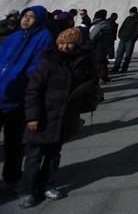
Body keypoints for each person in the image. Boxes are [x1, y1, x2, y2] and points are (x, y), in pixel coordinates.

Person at [18, 27, 98, 207]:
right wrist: (32, 117)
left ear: (77, 44)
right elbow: (33, 91)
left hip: (64, 115)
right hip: (43, 115)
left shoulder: (82, 61)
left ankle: (48, 185)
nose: (65, 47)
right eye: (62, 43)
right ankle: (27, 190)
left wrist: (83, 89)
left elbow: (93, 79)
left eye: (70, 43)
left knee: (54, 154)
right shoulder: (47, 62)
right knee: (34, 155)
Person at [0, 6, 53, 194]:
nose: (26, 20)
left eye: (31, 17)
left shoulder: (44, 37)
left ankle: (12, 177)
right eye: (25, 16)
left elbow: (38, 66)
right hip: (1, 92)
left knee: (13, 143)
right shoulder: (12, 37)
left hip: (19, 98)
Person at [111, 6, 138, 73]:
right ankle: (116, 68)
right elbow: (122, 27)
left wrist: (133, 38)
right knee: (119, 54)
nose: (130, 14)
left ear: (135, 13)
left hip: (130, 39)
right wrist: (120, 35)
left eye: (131, 13)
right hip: (123, 38)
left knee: (128, 55)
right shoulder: (128, 18)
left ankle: (124, 69)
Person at [89, 10, 114, 83]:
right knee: (102, 61)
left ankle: (100, 77)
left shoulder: (97, 25)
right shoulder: (107, 25)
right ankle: (103, 76)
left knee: (97, 61)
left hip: (96, 46)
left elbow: (92, 37)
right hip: (104, 46)